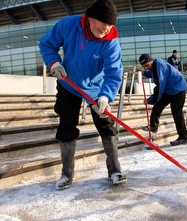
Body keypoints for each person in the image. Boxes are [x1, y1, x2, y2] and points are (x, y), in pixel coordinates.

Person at [38, 0, 126, 190]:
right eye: (103, 25)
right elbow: (46, 44)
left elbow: (113, 73)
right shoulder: (68, 25)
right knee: (66, 126)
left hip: (96, 88)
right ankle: (66, 174)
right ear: (90, 18)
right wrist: (54, 63)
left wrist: (105, 97)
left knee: (107, 126)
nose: (106, 29)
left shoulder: (110, 41)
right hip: (68, 83)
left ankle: (115, 170)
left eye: (110, 25)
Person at [139, 54, 187, 146]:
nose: (146, 67)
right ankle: (154, 126)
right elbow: (152, 73)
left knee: (177, 113)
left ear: (151, 61)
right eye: (143, 66)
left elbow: (160, 88)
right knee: (158, 106)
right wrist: (144, 73)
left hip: (177, 89)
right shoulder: (154, 66)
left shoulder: (160, 67)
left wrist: (149, 100)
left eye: (146, 65)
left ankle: (184, 137)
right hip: (169, 89)